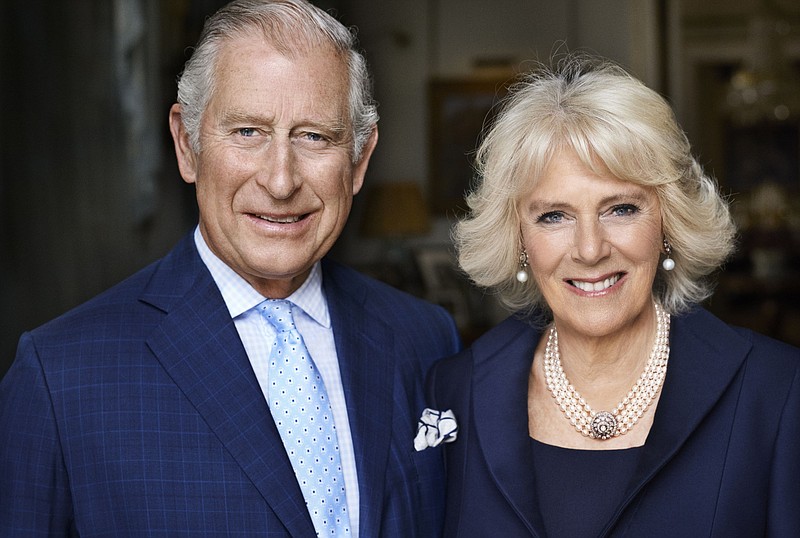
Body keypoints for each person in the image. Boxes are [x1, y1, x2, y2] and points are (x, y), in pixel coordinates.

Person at [0, 1, 461, 536]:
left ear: (358, 159)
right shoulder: (61, 377)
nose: (281, 180)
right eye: (247, 131)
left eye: (315, 136)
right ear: (187, 144)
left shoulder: (425, 339)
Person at [421, 53, 800, 536]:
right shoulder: (455, 391)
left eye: (620, 208)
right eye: (553, 216)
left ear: (668, 222)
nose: (590, 249)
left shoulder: (777, 392)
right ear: (518, 238)